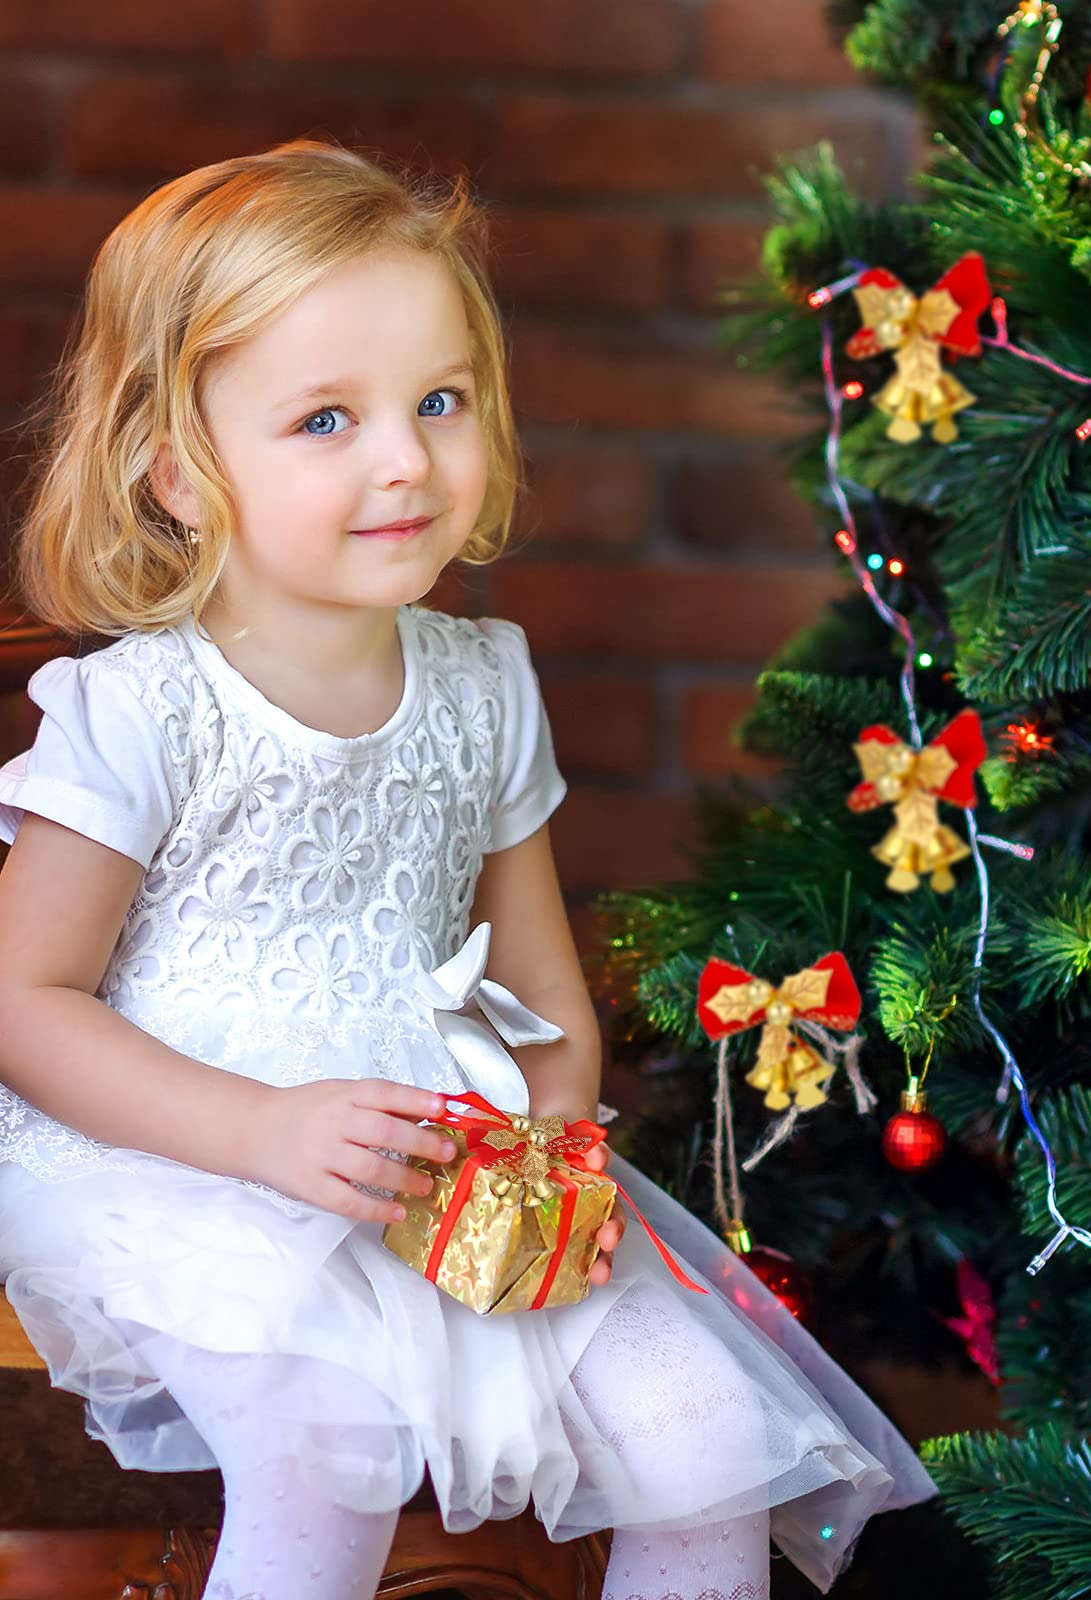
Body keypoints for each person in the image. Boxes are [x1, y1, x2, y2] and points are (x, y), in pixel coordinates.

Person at [0, 139, 936, 1600]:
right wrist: (254, 1134)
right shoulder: (143, 712)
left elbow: (544, 995)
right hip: (182, 1163)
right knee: (327, 1449)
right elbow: (27, 1002)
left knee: (703, 1442)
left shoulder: (482, 683)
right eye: (325, 419)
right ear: (178, 471)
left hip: (443, 1166)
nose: (404, 459)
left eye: (439, 402)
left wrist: (549, 1150)